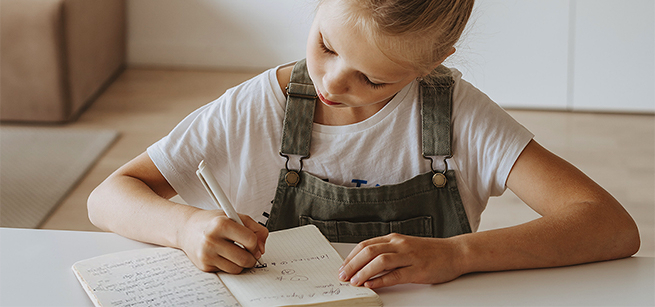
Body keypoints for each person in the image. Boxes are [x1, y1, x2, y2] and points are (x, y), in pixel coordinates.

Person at [88, 0, 640, 289]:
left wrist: (459, 254)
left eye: (374, 79)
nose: (332, 84)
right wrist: (184, 227)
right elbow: (109, 196)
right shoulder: (255, 108)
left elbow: (609, 225)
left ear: (432, 61)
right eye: (326, 46)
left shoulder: (457, 116)